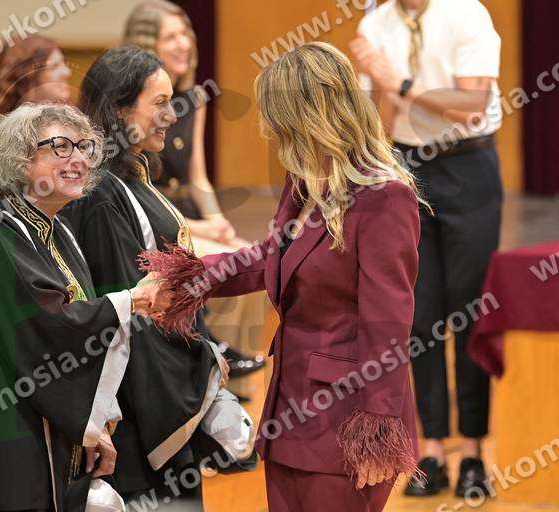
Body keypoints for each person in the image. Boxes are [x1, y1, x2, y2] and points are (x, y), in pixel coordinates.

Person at [140, 42, 423, 512]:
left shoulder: (384, 197)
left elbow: (388, 323)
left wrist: (378, 426)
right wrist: (187, 280)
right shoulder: (306, 179)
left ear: (311, 115)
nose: (272, 131)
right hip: (290, 412)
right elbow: (272, 257)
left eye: (279, 118)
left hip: (348, 424)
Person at [0, 102, 166, 512]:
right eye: (60, 147)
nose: (78, 159)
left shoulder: (58, 230)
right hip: (13, 427)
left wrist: (95, 424)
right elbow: (44, 329)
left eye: (84, 147)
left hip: (58, 428)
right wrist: (130, 300)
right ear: (22, 158)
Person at [63, 46, 229, 511]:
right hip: (137, 408)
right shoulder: (101, 193)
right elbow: (133, 310)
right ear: (119, 108)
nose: (172, 115)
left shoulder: (132, 175)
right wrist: (202, 370)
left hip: (160, 377)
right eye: (159, 103)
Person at [351, 0, 503, 497]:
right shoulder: (376, 23)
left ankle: (474, 451)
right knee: (419, 315)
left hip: (468, 166)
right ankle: (433, 450)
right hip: (408, 167)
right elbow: (381, 122)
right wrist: (382, 91)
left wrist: (397, 82)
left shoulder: (466, 13)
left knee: (469, 309)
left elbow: (471, 104)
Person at [123, 0, 266, 383]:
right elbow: (138, 192)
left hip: (187, 211)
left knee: (250, 262)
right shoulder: (135, 106)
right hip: (156, 219)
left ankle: (234, 378)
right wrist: (199, 229)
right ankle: (212, 362)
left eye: (184, 34)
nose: (183, 43)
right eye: (170, 37)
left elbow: (198, 176)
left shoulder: (194, 99)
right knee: (223, 264)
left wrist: (217, 220)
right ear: (147, 45)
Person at [0, 35, 72, 124]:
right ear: (27, 75)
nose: (67, 72)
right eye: (54, 66)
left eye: (64, 64)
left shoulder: (70, 123)